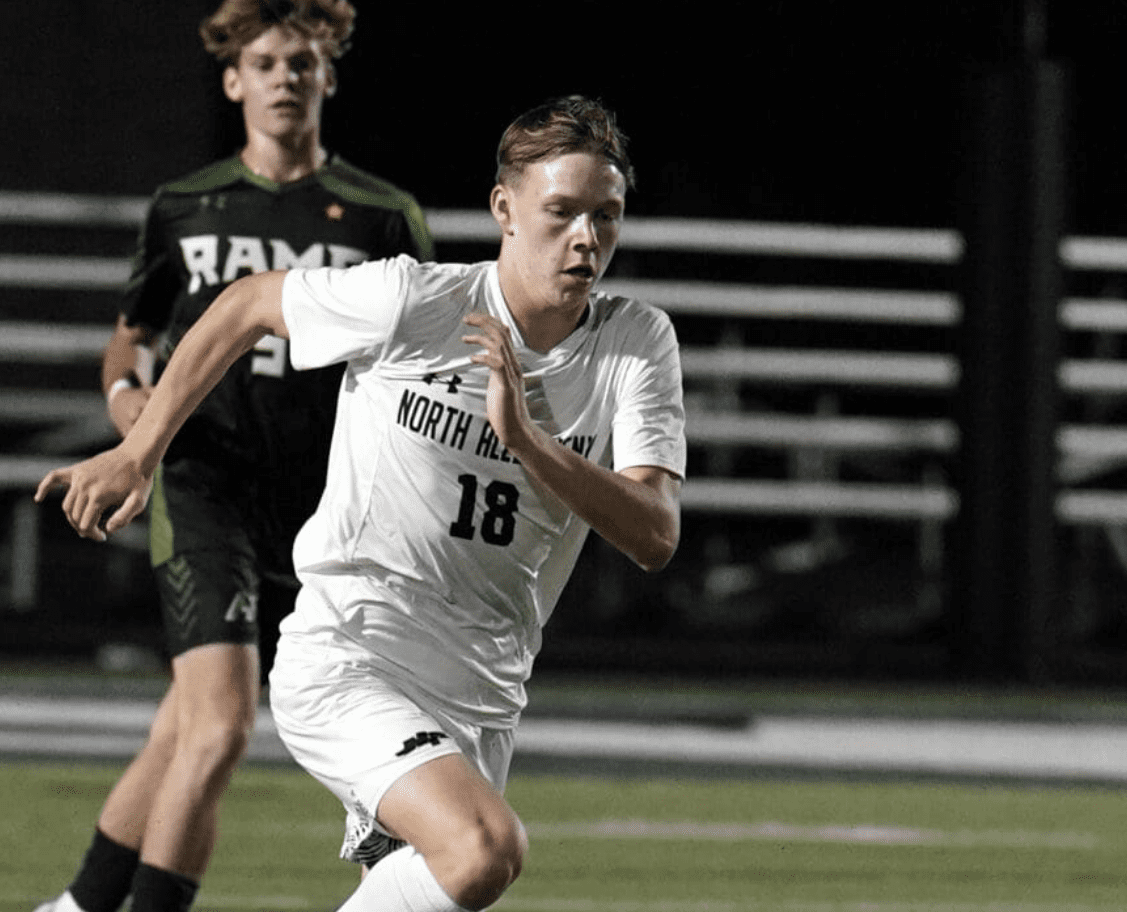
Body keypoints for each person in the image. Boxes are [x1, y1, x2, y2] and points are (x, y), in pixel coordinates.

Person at [37, 94, 685, 912]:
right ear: (505, 210)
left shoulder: (635, 343)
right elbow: (244, 303)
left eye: (606, 216)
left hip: (482, 695)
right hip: (351, 656)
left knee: (446, 872)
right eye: (561, 212)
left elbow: (654, 533)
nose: (586, 237)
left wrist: (526, 439)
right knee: (483, 849)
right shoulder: (418, 300)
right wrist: (139, 452)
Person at [34, 3, 432, 912]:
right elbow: (130, 338)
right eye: (265, 62)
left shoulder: (383, 215)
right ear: (232, 80)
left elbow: (416, 361)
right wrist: (130, 411)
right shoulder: (186, 205)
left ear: (328, 76)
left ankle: (81, 904)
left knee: (184, 725)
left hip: (324, 501)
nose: (284, 77)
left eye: (302, 62)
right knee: (219, 727)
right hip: (204, 481)